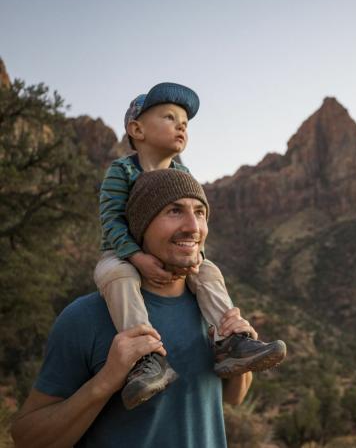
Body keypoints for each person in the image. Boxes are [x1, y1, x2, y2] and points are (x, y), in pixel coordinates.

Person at [12, 170, 273, 447]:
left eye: (199, 212)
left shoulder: (212, 310)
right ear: (141, 225)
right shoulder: (85, 318)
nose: (192, 227)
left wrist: (240, 356)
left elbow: (234, 398)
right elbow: (27, 438)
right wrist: (106, 381)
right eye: (174, 211)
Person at [93, 82, 286, 409]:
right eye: (169, 117)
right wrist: (137, 256)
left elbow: (191, 231)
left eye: (184, 120)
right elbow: (110, 218)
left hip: (176, 256)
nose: (181, 124)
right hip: (124, 254)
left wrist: (196, 259)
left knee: (208, 271)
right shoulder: (122, 170)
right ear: (136, 128)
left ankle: (229, 341)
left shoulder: (183, 173)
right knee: (116, 276)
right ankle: (147, 359)